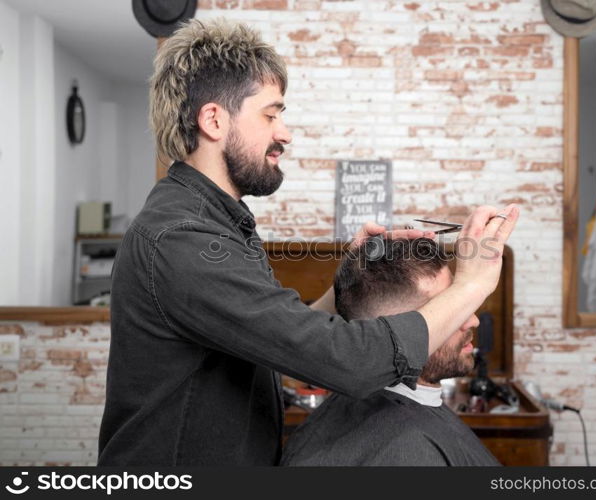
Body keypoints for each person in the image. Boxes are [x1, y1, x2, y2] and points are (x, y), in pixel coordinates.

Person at [98, 18, 519, 465]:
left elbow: (278, 340)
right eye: (270, 114)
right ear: (214, 119)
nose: (285, 133)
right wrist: (471, 285)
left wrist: (344, 287)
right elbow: (347, 363)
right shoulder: (181, 242)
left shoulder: (216, 225)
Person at [281, 237, 500, 466]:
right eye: (447, 308)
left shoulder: (356, 412)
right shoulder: (407, 454)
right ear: (394, 331)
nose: (473, 321)